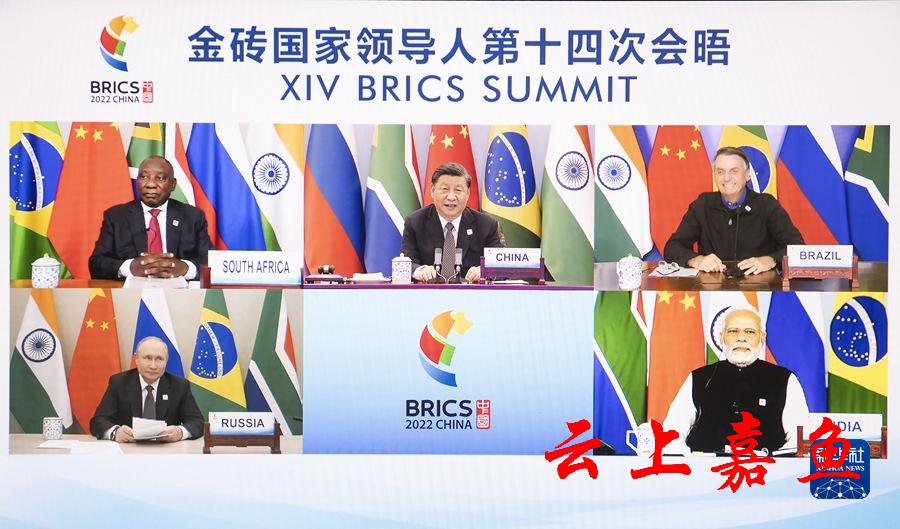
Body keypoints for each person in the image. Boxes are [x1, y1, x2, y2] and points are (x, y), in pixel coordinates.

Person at [662, 306, 809, 454]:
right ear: (721, 337)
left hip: (767, 467)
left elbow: (800, 439)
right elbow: (672, 431)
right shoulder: (698, 378)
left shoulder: (785, 379)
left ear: (762, 338)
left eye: (750, 332)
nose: (741, 338)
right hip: (707, 467)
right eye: (733, 331)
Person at [664, 147, 804, 275]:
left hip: (760, 286)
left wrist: (771, 259)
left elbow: (798, 248)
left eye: (734, 171)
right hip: (712, 287)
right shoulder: (703, 204)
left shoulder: (766, 204)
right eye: (720, 172)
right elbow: (672, 247)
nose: (726, 178)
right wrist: (696, 260)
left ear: (748, 175)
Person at [88, 155, 212, 280]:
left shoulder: (192, 217)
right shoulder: (116, 217)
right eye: (144, 177)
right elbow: (96, 263)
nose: (150, 184)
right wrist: (130, 267)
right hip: (132, 290)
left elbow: (211, 261)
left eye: (160, 178)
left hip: (177, 289)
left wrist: (185, 268)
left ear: (173, 184)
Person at [400, 162, 504, 283]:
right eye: (445, 189)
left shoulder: (487, 225)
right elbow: (406, 263)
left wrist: (486, 271)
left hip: (471, 293)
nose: (451, 197)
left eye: (458, 190)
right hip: (429, 292)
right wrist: (421, 270)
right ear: (432, 190)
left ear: (467, 194)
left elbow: (503, 267)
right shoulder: (415, 222)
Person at [90, 336, 203, 442]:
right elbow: (98, 421)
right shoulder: (119, 383)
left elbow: (197, 422)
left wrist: (180, 432)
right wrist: (116, 432)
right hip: (128, 449)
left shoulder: (179, 385)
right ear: (136, 359)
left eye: (159, 359)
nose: (153, 366)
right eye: (148, 358)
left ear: (166, 361)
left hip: (166, 450)